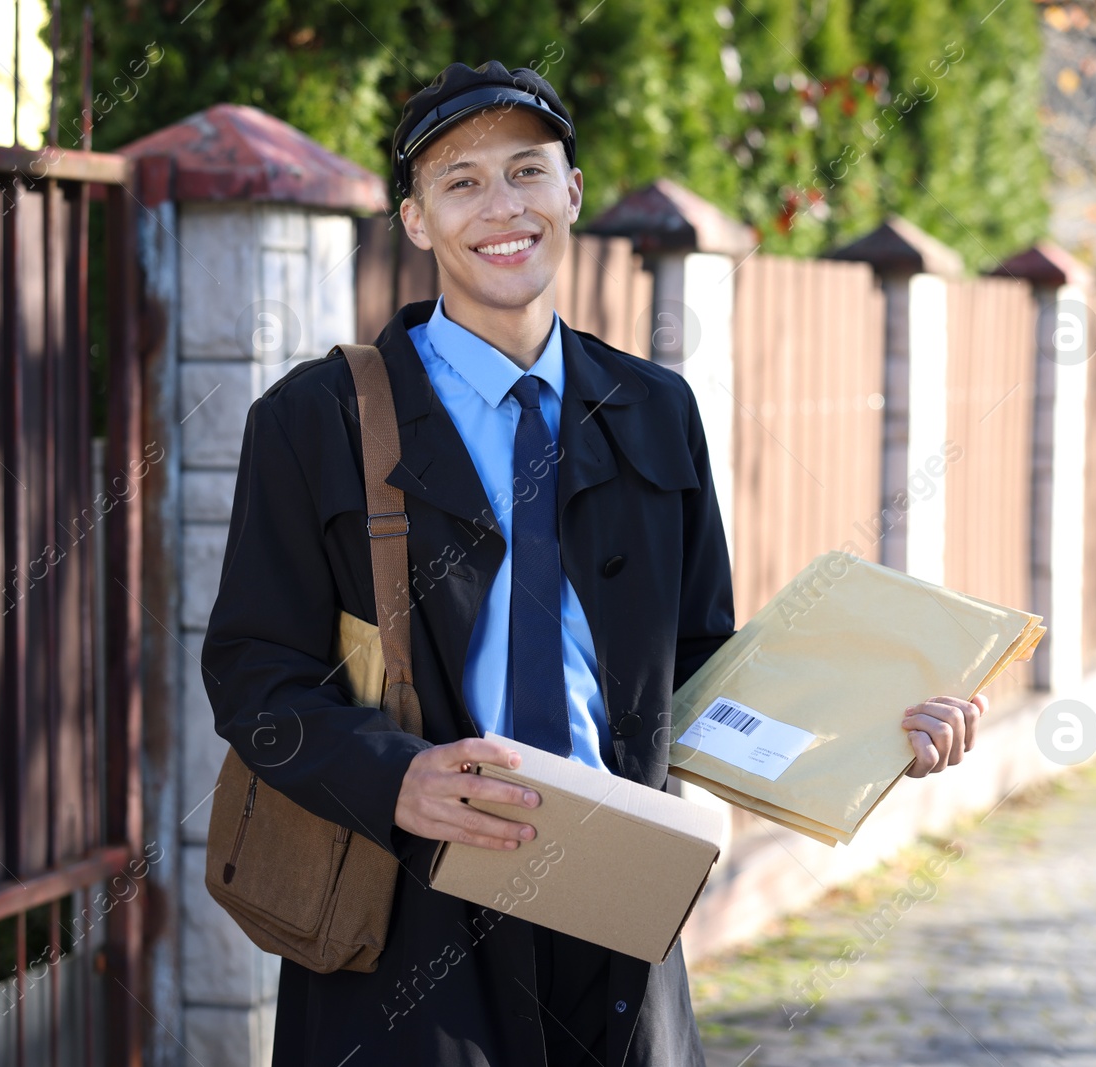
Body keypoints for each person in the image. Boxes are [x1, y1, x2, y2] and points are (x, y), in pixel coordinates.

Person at [199, 59, 989, 1067]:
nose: (502, 207)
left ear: (571, 191)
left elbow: (703, 674)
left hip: (619, 904)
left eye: (527, 171)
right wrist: (396, 779)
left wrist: (878, 733)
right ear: (415, 219)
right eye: (462, 181)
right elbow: (252, 671)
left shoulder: (656, 410)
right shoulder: (316, 420)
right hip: (411, 910)